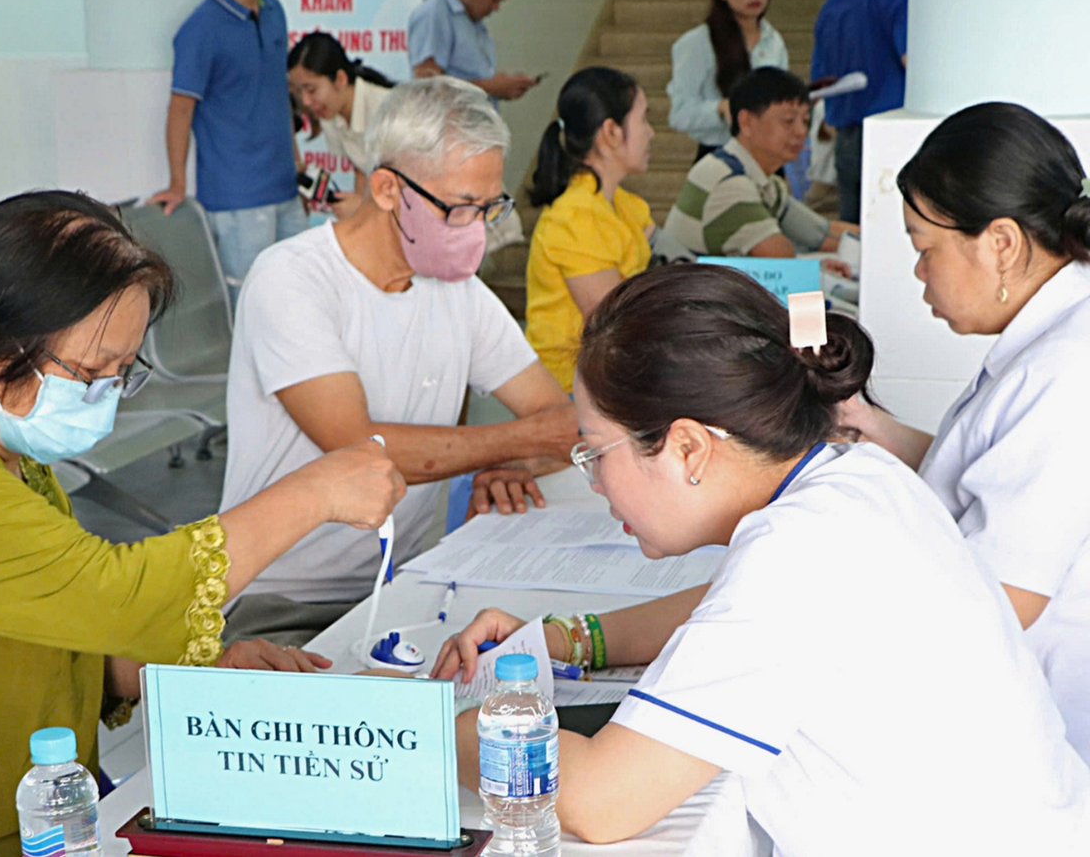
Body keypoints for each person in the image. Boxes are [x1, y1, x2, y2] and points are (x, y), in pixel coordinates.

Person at [434, 263, 1090, 855]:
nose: (595, 482)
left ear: (687, 448)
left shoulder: (799, 554)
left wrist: (449, 729)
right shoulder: (852, 475)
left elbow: (602, 804)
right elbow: (729, 608)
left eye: (595, 452)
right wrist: (573, 639)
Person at [0, 190, 405, 855]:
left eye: (120, 375)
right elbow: (113, 593)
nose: (103, 396)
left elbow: (61, 627)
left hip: (48, 817)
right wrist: (313, 490)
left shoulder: (7, 454)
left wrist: (200, 669)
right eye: (90, 372)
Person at [220, 78, 577, 646]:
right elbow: (360, 449)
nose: (478, 228)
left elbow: (554, 418)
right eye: (461, 208)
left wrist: (519, 466)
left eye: (491, 207)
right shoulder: (292, 278)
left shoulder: (454, 289)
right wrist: (524, 440)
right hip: (282, 595)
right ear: (387, 189)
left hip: (406, 584)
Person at [838, 102, 1090, 766]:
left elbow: (1006, 598)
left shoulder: (1068, 368)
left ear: (1001, 243)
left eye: (926, 250)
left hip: (1045, 724)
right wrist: (877, 431)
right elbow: (995, 473)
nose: (919, 272)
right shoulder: (1055, 338)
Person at [149, 0, 306, 302]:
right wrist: (177, 183)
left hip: (286, 188)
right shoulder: (200, 29)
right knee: (252, 303)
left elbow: (276, 90)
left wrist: (294, 154)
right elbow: (180, 108)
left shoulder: (275, 12)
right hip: (238, 196)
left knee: (299, 294)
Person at [524, 67, 655, 394]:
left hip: (607, 380)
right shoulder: (575, 216)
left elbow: (679, 265)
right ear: (611, 132)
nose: (651, 133)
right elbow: (615, 324)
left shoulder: (623, 204)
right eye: (643, 120)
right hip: (569, 392)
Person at [663, 68, 858, 265]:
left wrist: (877, 240)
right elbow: (783, 262)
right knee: (814, 290)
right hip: (694, 294)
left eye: (806, 121)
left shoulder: (765, 182)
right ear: (746, 122)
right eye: (789, 121)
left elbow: (823, 235)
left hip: (720, 290)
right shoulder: (729, 182)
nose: (801, 132)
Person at [811, 0, 908, 224]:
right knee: (890, 231)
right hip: (893, 138)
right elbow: (910, 58)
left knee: (853, 235)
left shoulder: (832, 2)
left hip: (847, 138)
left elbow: (821, 83)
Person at [667, 0, 787, 160]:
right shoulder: (697, 43)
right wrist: (720, 108)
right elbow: (679, 114)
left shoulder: (774, 41)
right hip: (718, 157)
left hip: (767, 156)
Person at [288, 31, 396, 220]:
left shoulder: (387, 110)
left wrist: (364, 207)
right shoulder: (329, 114)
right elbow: (361, 171)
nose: (306, 101)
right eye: (299, 92)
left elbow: (410, 187)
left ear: (340, 79)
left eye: (312, 90)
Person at [407, 0, 538, 104]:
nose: (496, 7)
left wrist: (503, 87)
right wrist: (492, 87)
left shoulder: (471, 19)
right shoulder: (434, 14)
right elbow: (428, 88)